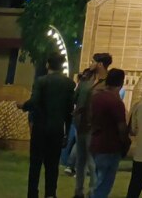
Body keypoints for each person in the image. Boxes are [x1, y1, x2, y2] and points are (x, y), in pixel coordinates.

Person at [21, 55, 76, 198]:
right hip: (57, 129)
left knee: (35, 164)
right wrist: (67, 132)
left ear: (47, 65)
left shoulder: (41, 81)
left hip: (40, 128)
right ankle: (50, 194)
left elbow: (34, 101)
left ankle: (32, 193)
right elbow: (70, 111)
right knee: (52, 165)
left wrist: (23, 106)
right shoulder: (69, 84)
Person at [73, 53, 112, 197]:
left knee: (93, 162)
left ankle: (94, 192)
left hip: (96, 126)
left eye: (93, 61)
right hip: (81, 123)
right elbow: (76, 96)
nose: (90, 63)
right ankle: (78, 191)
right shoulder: (86, 78)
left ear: (100, 64)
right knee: (80, 160)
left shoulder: (108, 82)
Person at [89, 68, 129, 198]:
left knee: (96, 180)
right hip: (110, 145)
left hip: (95, 143)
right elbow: (122, 128)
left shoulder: (95, 98)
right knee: (104, 183)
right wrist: (125, 142)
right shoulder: (116, 102)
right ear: (121, 82)